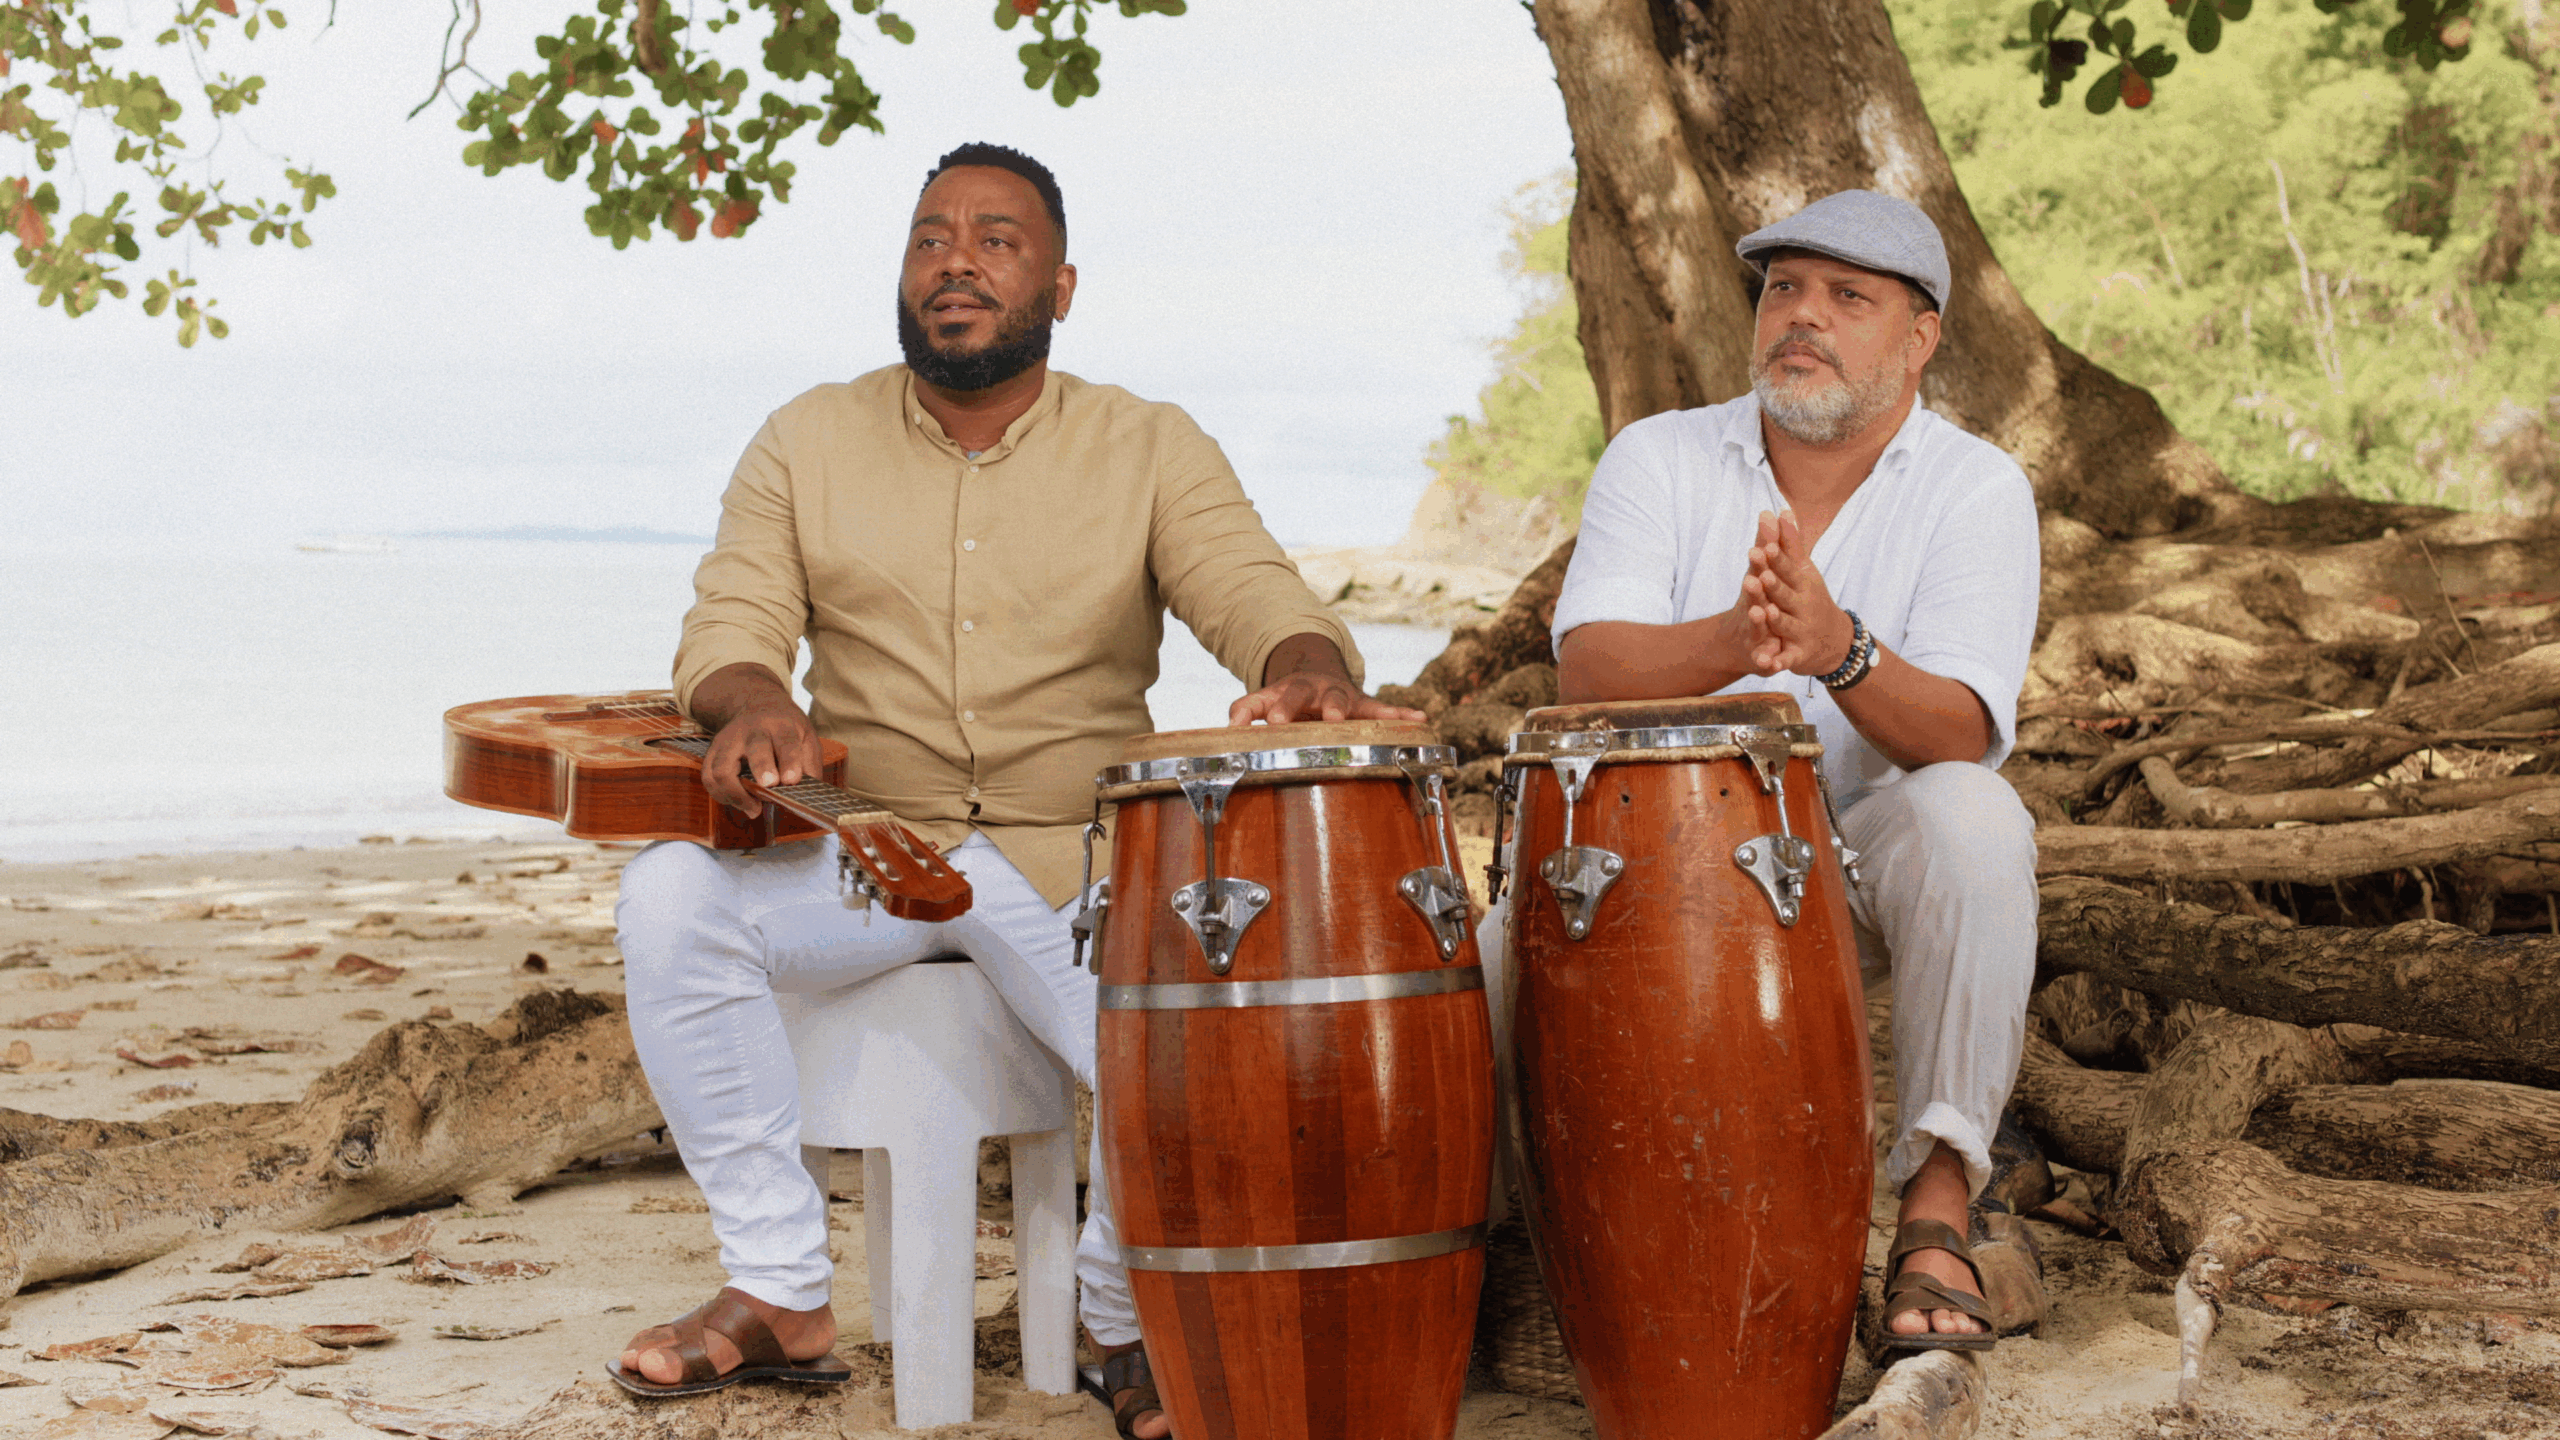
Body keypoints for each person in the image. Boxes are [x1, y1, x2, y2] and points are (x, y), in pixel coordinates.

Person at [608, 142, 1419, 1435]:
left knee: (1203, 1004)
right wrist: (755, 699)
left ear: (1061, 283)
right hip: (872, 863)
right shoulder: (805, 438)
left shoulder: (1148, 445)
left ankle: (1116, 1312)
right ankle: (778, 1291)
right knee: (665, 895)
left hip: (1085, 866)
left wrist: (1309, 669)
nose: (958, 261)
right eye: (933, 237)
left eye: (997, 239)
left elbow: (1255, 591)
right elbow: (730, 620)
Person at [1483, 189, 2040, 1352]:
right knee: (1490, 948)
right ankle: (1496, 1237)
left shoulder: (1977, 488)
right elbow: (1588, 668)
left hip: (1859, 862)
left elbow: (1955, 727)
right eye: (1784, 287)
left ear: (1920, 336)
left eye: (1848, 297)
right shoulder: (1662, 454)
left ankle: (1938, 1201)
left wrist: (1837, 649)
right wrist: (1737, 640)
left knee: (1974, 819)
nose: (1803, 316)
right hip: (1659, 858)